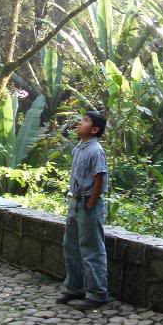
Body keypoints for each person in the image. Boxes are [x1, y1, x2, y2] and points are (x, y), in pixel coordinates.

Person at [56, 110, 109, 310]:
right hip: (75, 202)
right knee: (70, 246)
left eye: (85, 121)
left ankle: (97, 293)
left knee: (91, 249)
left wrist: (90, 203)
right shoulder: (79, 148)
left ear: (94, 129)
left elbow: (100, 178)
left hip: (88, 204)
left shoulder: (96, 150)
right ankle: (74, 287)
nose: (80, 122)